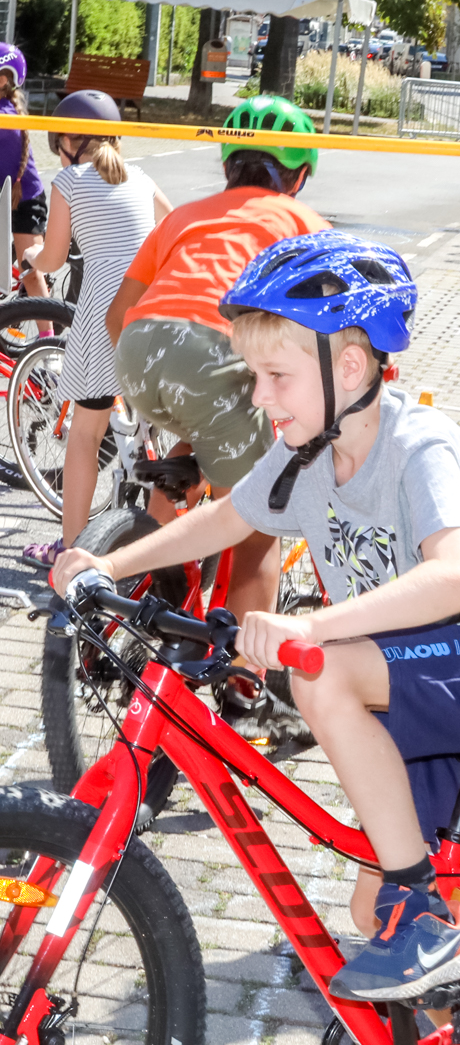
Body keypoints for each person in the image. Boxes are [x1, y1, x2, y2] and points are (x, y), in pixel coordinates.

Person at [54, 232, 460, 1003]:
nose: (259, 398)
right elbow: (228, 517)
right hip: (418, 674)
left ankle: (424, 916)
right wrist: (109, 563)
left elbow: (456, 578)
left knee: (320, 675)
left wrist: (312, 629)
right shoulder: (307, 452)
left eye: (275, 377)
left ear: (351, 367)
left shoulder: (415, 444)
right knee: (371, 911)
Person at [103, 94, 328, 637]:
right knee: (255, 524)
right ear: (297, 176)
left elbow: (117, 312)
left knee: (205, 427)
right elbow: (332, 323)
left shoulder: (184, 215)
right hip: (210, 357)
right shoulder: (303, 221)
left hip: (137, 353)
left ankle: (159, 565)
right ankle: (245, 680)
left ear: (228, 164)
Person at [21, 90, 172, 567]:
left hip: (105, 304)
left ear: (68, 139)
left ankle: (70, 549)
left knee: (86, 431)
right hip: (151, 300)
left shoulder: (68, 181)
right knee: (155, 416)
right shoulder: (142, 177)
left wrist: (29, 257)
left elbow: (55, 257)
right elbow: (172, 227)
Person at [0, 44, 52, 315]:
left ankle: (47, 341)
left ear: (3, 80)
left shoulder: (6, 118)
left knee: (30, 272)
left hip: (25, 200)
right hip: (4, 196)